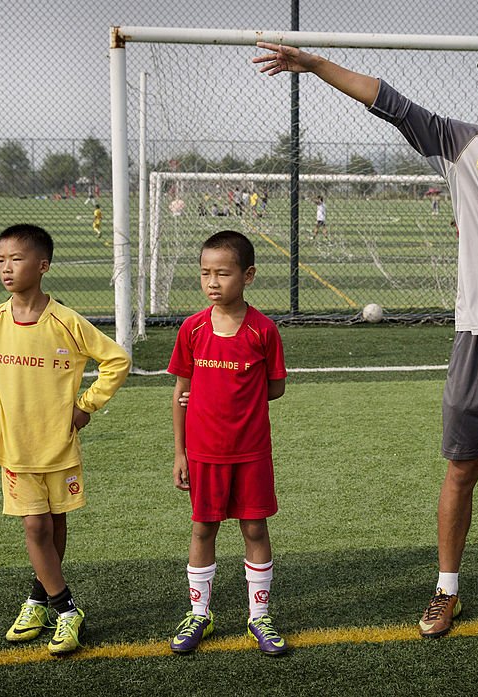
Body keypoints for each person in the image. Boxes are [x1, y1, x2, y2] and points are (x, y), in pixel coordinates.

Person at [255, 44, 478, 637]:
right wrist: (316, 66)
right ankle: (446, 589)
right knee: (462, 468)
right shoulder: (460, 143)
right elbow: (389, 102)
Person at [0, 224, 130, 656]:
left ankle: (37, 599)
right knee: (35, 525)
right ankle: (66, 609)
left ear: (42, 266)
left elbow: (116, 360)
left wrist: (86, 407)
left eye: (16, 259)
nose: (6, 268)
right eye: (0, 259)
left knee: (55, 522)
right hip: (15, 446)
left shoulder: (65, 321)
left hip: (60, 444)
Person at [167, 230, 288, 655]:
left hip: (251, 452)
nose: (213, 282)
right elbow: (180, 394)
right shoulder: (193, 329)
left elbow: (275, 390)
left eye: (223, 273)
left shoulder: (263, 331)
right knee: (203, 528)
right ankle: (199, 612)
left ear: (248, 275)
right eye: (205, 273)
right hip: (203, 453)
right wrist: (180, 452)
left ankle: (259, 616)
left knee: (254, 526)